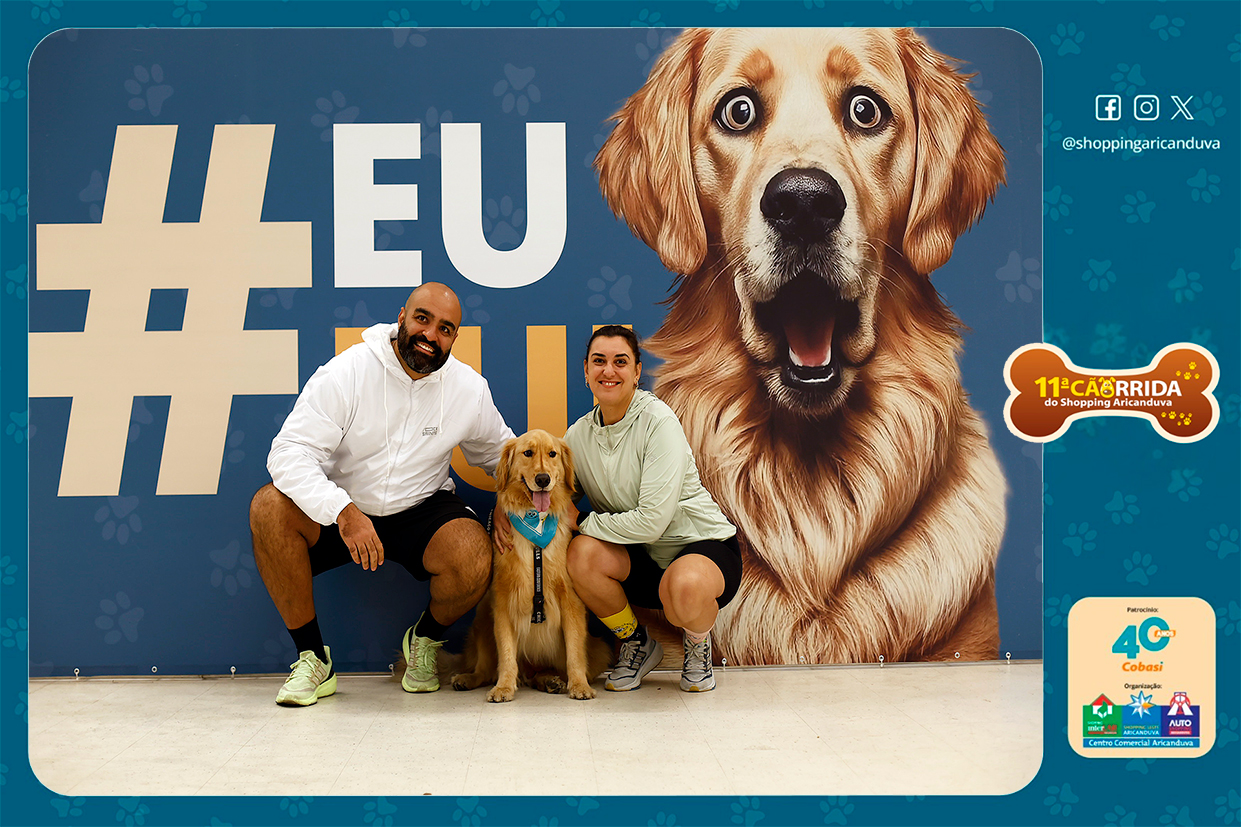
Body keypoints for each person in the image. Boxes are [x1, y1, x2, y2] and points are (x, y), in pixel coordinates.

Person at [250, 283, 514, 706]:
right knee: (268, 508)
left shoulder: (468, 388)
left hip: (421, 507)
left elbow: (505, 456)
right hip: (342, 506)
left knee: (474, 553)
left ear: (454, 338)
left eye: (445, 328)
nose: (430, 335)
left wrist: (506, 497)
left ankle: (423, 642)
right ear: (402, 317)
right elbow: (289, 452)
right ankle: (313, 659)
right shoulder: (348, 371)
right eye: (422, 319)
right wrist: (342, 510)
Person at [497, 325, 741, 692]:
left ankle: (697, 644)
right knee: (581, 555)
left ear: (637, 372)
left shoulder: (659, 422)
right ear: (586, 371)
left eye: (620, 362)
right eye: (599, 361)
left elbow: (652, 523)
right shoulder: (577, 436)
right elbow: (549, 491)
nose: (608, 370)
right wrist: (504, 510)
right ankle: (636, 642)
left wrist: (585, 521)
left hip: (699, 547)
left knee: (684, 589)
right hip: (641, 558)